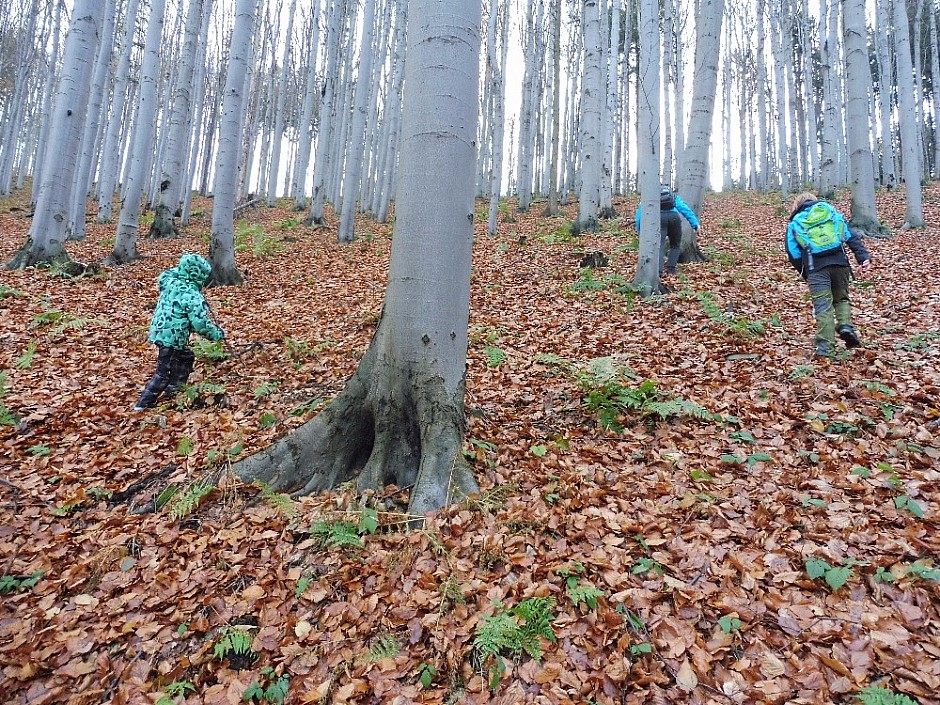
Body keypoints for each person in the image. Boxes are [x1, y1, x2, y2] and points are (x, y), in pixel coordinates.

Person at [785, 192, 871, 358]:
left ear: (797, 205)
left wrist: (805, 272)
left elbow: (793, 253)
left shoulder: (796, 223)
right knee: (842, 299)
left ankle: (825, 349)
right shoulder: (831, 213)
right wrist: (863, 257)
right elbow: (850, 236)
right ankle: (845, 325)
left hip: (816, 269)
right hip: (840, 264)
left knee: (823, 307)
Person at [134, 253, 224, 410]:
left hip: (159, 331)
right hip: (172, 338)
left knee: (186, 357)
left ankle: (174, 389)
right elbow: (200, 324)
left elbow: (170, 272)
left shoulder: (170, 281)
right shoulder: (191, 296)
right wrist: (216, 334)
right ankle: (143, 404)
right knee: (163, 372)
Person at [635, 184, 700, 276]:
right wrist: (695, 224)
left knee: (659, 245)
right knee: (675, 245)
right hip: (674, 218)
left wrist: (640, 231)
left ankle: (659, 271)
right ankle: (671, 270)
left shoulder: (650, 197)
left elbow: (639, 216)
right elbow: (685, 209)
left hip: (659, 219)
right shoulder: (673, 196)